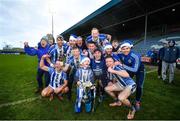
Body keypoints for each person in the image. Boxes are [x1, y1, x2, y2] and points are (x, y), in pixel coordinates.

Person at [117, 41, 145, 111]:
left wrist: (122, 65)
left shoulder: (135, 56)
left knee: (139, 85)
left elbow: (135, 69)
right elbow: (113, 54)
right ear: (121, 49)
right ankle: (127, 95)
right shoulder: (120, 54)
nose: (125, 50)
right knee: (126, 82)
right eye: (123, 49)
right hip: (129, 69)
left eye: (127, 48)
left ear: (130, 48)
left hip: (139, 71)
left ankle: (137, 101)